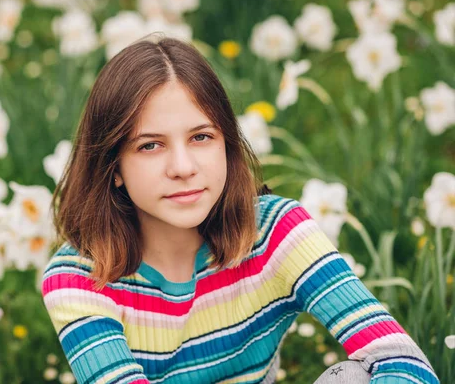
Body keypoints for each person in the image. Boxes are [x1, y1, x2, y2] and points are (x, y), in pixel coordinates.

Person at [41, 35, 439, 384]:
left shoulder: (276, 232)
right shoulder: (78, 280)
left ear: (226, 146)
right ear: (114, 169)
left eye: (201, 137)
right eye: (150, 145)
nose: (183, 168)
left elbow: (401, 359)